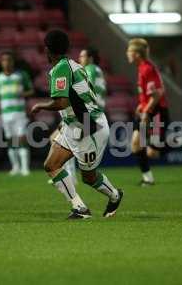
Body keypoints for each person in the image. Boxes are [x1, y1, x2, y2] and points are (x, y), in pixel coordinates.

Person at [31, 30, 124, 219]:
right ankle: (80, 208)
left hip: (89, 127)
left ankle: (115, 195)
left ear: (47, 49)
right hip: (74, 125)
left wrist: (40, 105)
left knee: (88, 177)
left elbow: (62, 102)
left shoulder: (61, 69)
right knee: (51, 165)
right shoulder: (74, 65)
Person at [126, 38, 170, 187]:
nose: (127, 53)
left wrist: (146, 111)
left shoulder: (147, 69)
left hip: (156, 112)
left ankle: (181, 140)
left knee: (153, 153)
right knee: (136, 145)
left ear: (137, 54)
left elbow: (157, 94)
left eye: (129, 51)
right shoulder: (142, 68)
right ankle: (148, 179)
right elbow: (149, 93)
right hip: (148, 110)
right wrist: (142, 105)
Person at [0, 51, 34, 176]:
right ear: (1, 63)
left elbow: (31, 90)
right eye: (4, 60)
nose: (7, 62)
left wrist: (23, 94)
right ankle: (15, 167)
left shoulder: (21, 75)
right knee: (10, 140)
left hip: (19, 112)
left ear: (13, 62)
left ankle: (25, 168)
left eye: (9, 60)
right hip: (5, 114)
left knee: (21, 139)